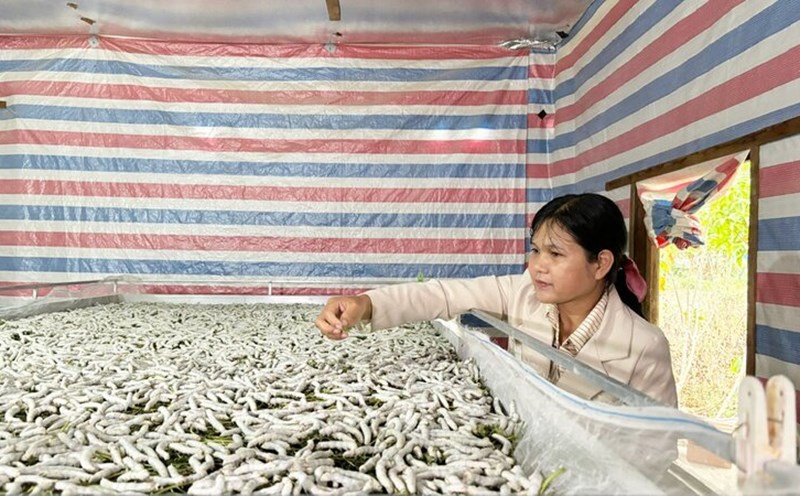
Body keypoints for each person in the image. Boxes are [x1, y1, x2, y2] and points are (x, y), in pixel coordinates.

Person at [315, 193, 677, 407]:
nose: (538, 266)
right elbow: (442, 294)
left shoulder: (645, 346)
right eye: (535, 251)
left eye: (555, 254)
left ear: (600, 263)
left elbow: (654, 451)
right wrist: (365, 304)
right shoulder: (522, 290)